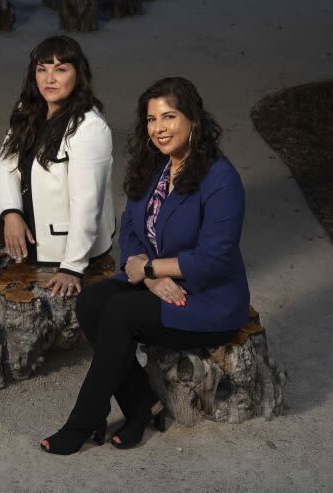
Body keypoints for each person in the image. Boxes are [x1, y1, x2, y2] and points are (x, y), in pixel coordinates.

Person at [40, 77, 250, 455]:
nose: (159, 128)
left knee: (120, 311)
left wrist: (151, 270)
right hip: (161, 280)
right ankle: (141, 405)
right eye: (151, 120)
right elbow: (132, 232)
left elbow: (214, 259)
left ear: (194, 120)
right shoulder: (153, 167)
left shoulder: (221, 179)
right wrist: (150, 277)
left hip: (206, 299)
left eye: (169, 116)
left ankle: (85, 419)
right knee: (91, 302)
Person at [0, 35, 115, 296]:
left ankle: (29, 244)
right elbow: (6, 163)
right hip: (34, 203)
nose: (49, 79)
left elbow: (87, 203)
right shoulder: (29, 108)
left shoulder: (90, 128)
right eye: (42, 69)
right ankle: (17, 220)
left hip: (59, 238)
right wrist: (11, 214)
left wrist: (72, 267)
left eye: (60, 69)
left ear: (78, 75)